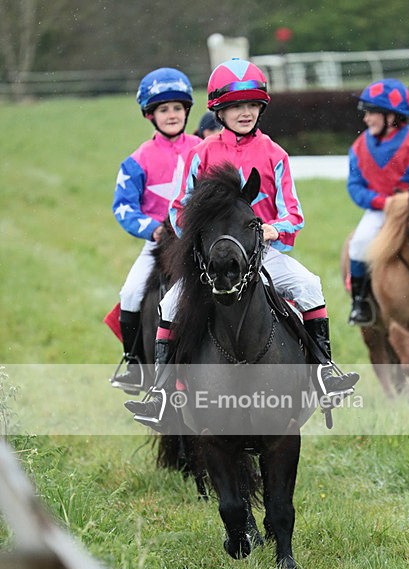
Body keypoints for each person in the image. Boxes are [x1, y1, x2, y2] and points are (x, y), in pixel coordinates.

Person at [126, 57, 358, 427]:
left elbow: (293, 214)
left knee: (309, 285)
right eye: (236, 106)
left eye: (252, 105)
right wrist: (201, 240)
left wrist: (273, 230)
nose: (245, 112)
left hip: (260, 253)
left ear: (261, 107)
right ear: (219, 111)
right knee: (169, 304)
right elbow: (177, 208)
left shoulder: (275, 154)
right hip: (210, 258)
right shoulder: (200, 153)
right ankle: (161, 395)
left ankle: (324, 372)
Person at [109, 67, 201, 393]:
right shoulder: (137, 161)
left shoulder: (203, 148)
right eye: (164, 109)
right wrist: (152, 229)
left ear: (187, 111)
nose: (172, 115)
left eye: (177, 108)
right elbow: (123, 207)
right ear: (151, 115)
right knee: (130, 292)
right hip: (160, 243)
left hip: (198, 242)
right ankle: (135, 365)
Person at [346, 78, 409, 325]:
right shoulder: (358, 148)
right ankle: (360, 302)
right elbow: (355, 187)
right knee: (358, 244)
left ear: (391, 116)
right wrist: (382, 203)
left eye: (371, 113)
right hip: (381, 211)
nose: (366, 119)